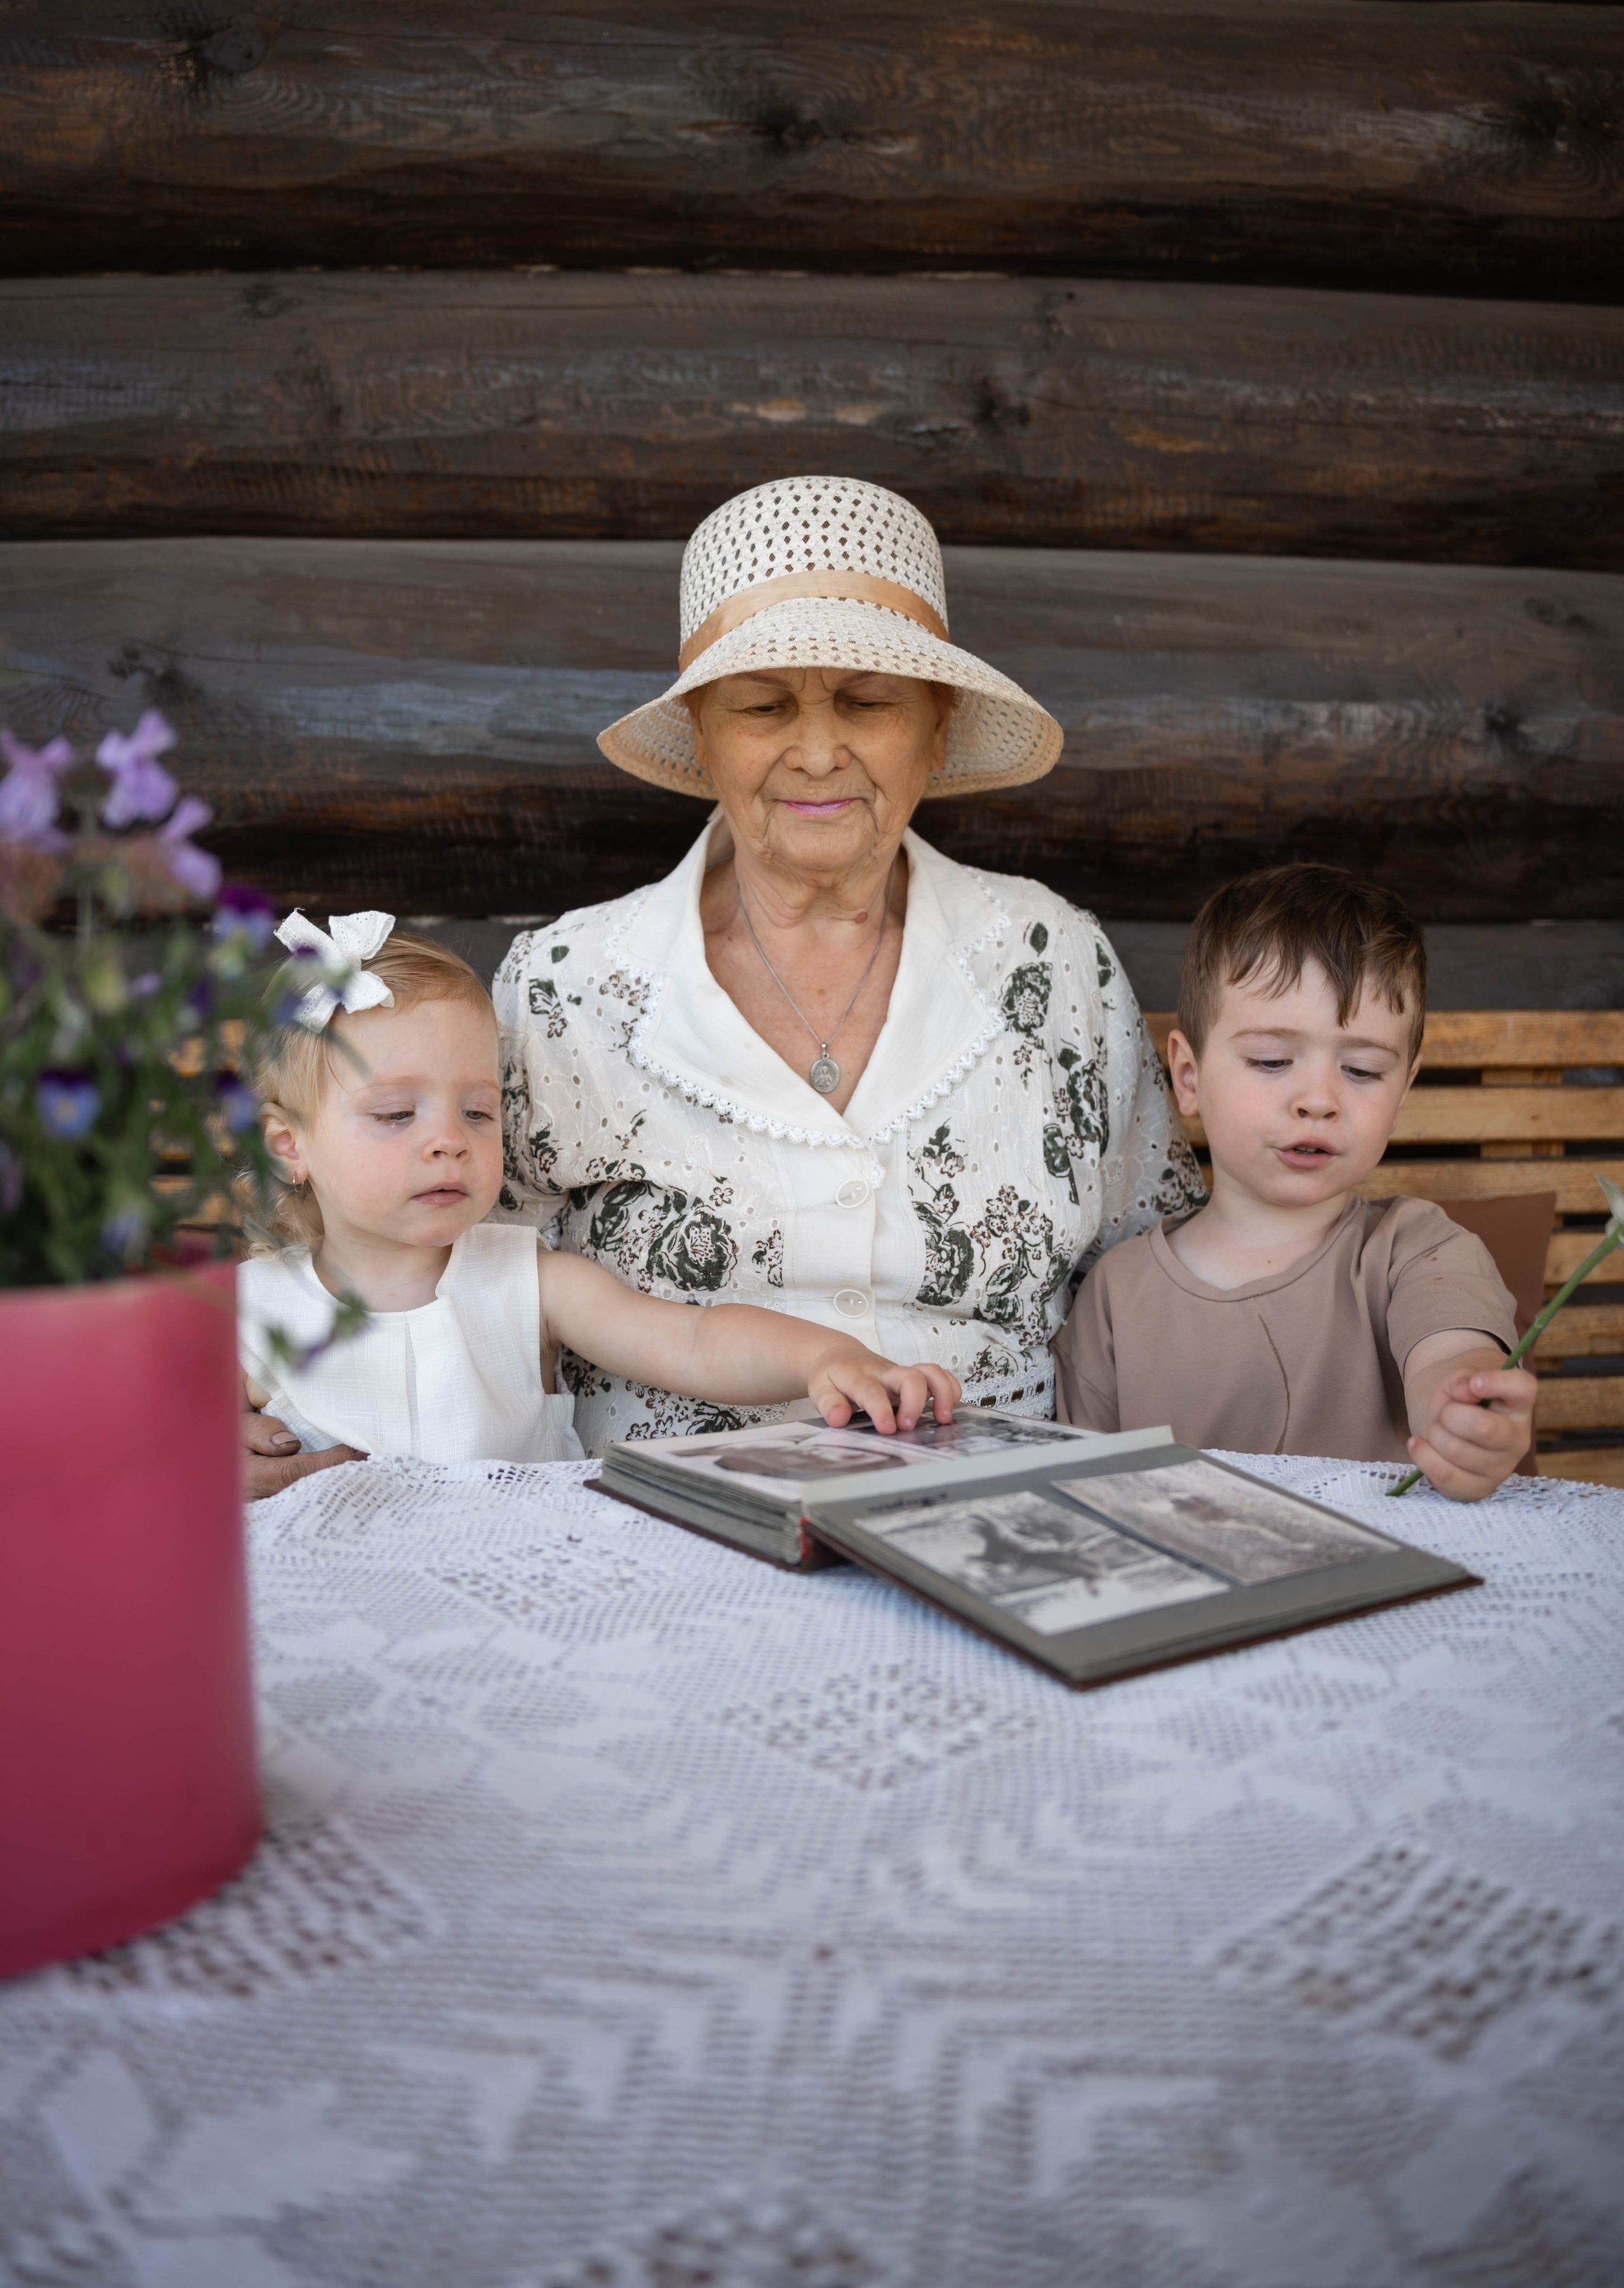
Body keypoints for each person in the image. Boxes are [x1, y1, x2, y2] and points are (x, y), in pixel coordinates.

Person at [488, 474, 1204, 1457]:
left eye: (868, 701)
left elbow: (1154, 1266)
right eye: (763, 705)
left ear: (937, 727)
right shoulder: (564, 986)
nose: (819, 752)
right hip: (661, 1517)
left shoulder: (1052, 958)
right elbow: (457, 1276)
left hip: (993, 1507)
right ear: (702, 735)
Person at [237, 914, 959, 1489]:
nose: (449, 1141)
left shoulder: (527, 1280)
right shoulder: (246, 1311)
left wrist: (824, 1356)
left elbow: (693, 1341)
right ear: (288, 1146)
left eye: (478, 1112)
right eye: (396, 1115)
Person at [1052, 865, 1536, 1499]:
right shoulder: (1117, 1294)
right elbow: (1082, 1491)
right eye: (1272, 1060)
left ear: (1403, 1090)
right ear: (1189, 1078)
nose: (1318, 1100)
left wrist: (1458, 1405)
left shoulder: (1419, 1250)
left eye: (1362, 1070)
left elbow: (1451, 1350)